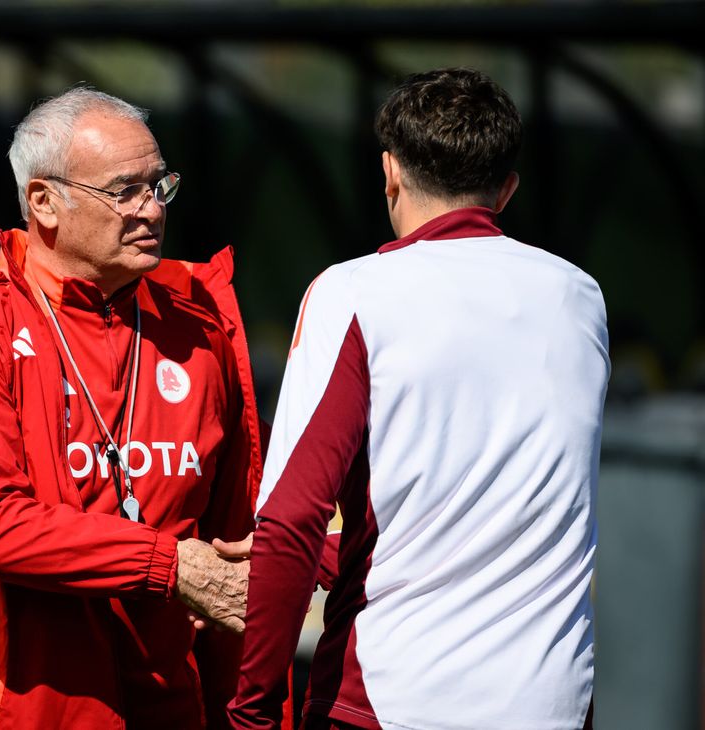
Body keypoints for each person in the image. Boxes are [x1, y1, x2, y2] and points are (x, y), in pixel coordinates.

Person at [227, 68, 608, 730]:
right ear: (507, 189)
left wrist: (252, 711)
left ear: (390, 172)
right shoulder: (581, 298)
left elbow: (290, 520)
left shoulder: (352, 294)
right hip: (553, 700)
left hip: (392, 698)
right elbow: (485, 478)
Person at [0, 87, 263, 729]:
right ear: (43, 202)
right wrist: (168, 565)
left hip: (165, 702)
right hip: (11, 707)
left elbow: (232, 536)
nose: (151, 210)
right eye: (124, 191)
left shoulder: (201, 332)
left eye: (159, 186)